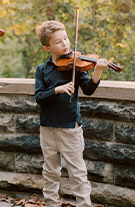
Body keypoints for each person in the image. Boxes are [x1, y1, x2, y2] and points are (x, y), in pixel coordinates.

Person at [34, 20, 108, 207]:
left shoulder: (76, 65)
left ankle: (84, 205)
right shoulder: (42, 70)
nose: (65, 43)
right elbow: (40, 97)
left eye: (66, 38)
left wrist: (97, 71)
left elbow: (89, 89)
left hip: (70, 128)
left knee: (78, 173)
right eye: (58, 41)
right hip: (48, 128)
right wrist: (57, 90)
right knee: (50, 171)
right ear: (47, 47)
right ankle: (51, 204)